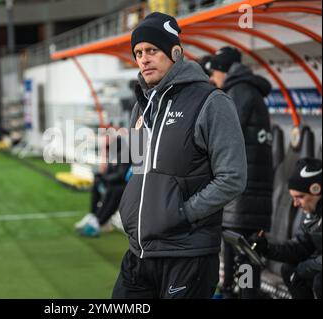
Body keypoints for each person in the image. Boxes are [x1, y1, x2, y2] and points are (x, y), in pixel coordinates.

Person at [112, 12, 247, 299]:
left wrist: (183, 213)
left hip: (188, 254)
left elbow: (233, 178)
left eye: (152, 50)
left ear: (175, 52)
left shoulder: (211, 102)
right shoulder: (142, 106)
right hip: (139, 251)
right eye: (138, 53)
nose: (144, 59)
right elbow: (139, 170)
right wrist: (131, 209)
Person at [207, 46, 274, 298]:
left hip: (245, 194)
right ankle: (229, 292)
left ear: (224, 70)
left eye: (215, 70)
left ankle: (239, 296)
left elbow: (221, 137)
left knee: (245, 256)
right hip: (250, 193)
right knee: (241, 253)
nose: (213, 77)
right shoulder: (247, 91)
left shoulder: (239, 92)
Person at [251, 158, 322, 299]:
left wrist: (303, 269)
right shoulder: (312, 215)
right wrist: (267, 249)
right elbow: (300, 247)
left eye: (300, 197)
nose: (295, 204)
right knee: (288, 270)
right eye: (293, 197)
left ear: (316, 189)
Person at [75, 136, 130, 237]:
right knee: (97, 183)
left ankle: (98, 223)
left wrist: (105, 178)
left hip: (121, 187)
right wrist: (100, 177)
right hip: (112, 185)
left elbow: (120, 176)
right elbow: (109, 173)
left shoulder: (124, 157)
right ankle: (93, 215)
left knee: (112, 192)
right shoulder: (114, 157)